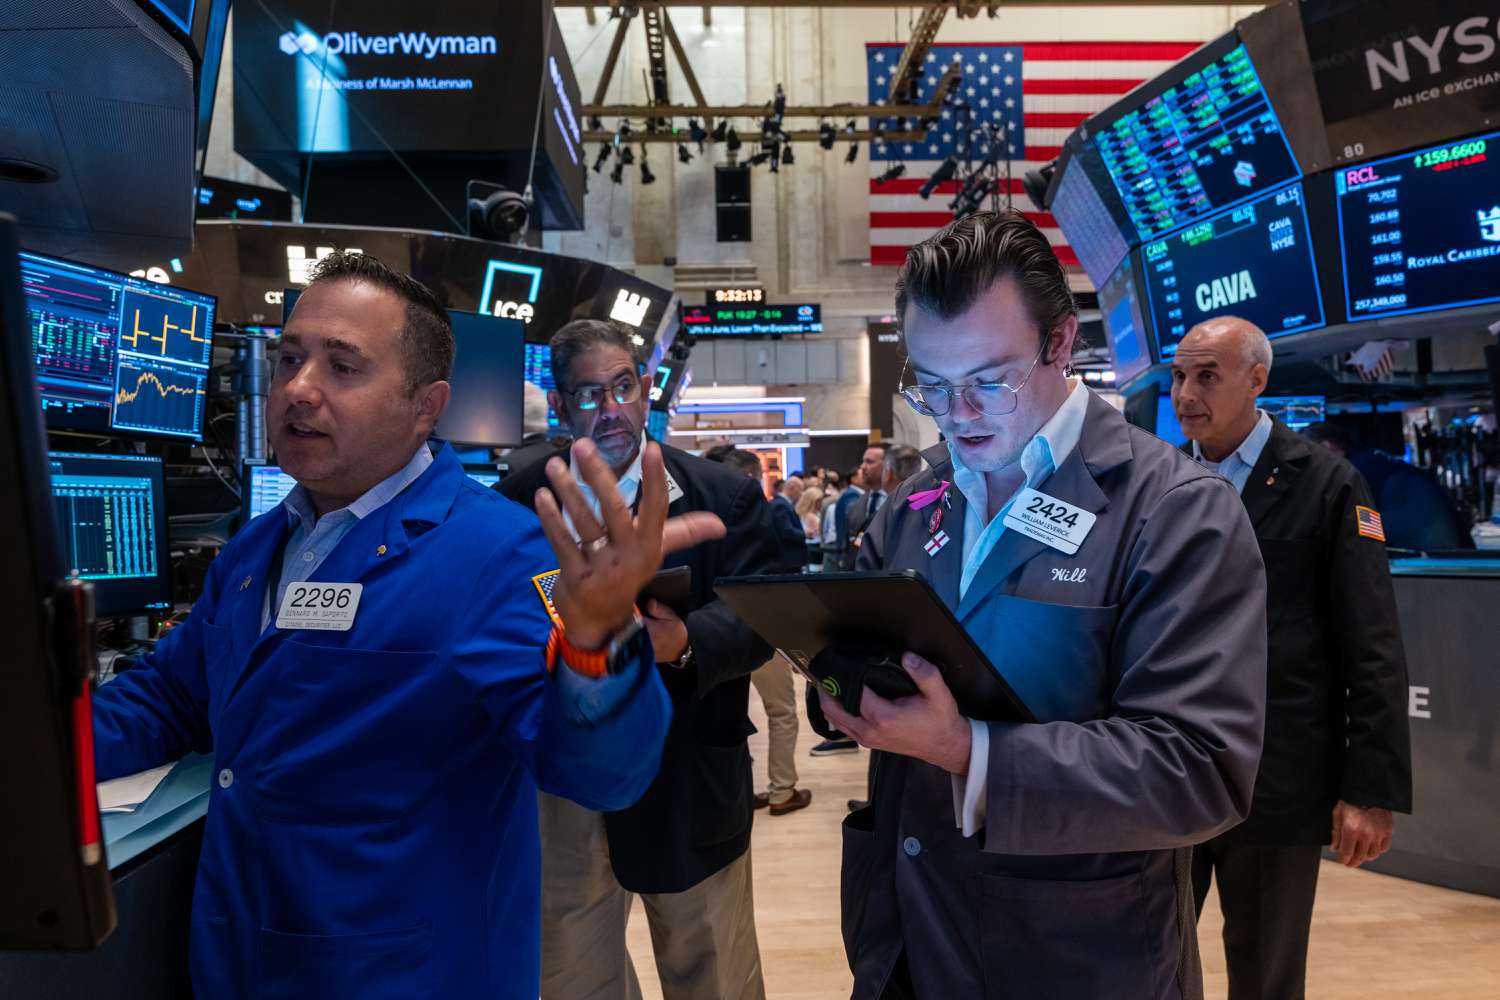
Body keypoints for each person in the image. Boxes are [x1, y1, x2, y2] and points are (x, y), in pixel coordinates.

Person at [88, 252, 715, 999]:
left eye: (342, 367)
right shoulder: (255, 550)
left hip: (402, 975)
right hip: (244, 960)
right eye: (290, 358)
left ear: (425, 405)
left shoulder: (497, 554)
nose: (297, 388)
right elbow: (167, 698)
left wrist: (600, 640)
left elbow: (601, 773)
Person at [815, 210, 1268, 998]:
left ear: (1060, 344)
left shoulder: (1175, 510)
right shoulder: (917, 497)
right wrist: (835, 686)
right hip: (907, 945)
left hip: (1073, 954)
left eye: (990, 380)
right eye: (933, 385)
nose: (959, 415)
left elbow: (1202, 768)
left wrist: (972, 752)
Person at [499, 320, 779, 1000]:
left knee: (713, 972)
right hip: (561, 789)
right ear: (561, 406)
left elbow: (762, 615)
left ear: (647, 389)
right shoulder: (518, 503)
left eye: (624, 386)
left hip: (686, 776)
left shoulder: (722, 496)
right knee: (570, 977)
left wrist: (679, 641)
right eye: (589, 393)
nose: (611, 408)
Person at [1172, 317, 1413, 1000]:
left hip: (1277, 781)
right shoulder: (1157, 483)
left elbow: (1373, 644)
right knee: (1144, 962)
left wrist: (1369, 790)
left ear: (1257, 381)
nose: (1187, 393)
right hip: (1165, 773)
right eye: (1179, 376)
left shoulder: (1326, 484)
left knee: (1267, 978)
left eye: (1206, 376)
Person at [709, 448, 813, 817]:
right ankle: (782, 791)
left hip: (709, 634)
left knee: (726, 711)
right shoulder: (762, 515)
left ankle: (745, 791)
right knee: (781, 711)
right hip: (757, 627)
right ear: (754, 478)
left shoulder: (698, 512)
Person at [1302, 421, 1474, 552]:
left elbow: (1350, 524)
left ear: (1327, 446)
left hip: (1436, 564)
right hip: (1453, 558)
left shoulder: (1354, 472)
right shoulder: (1370, 461)